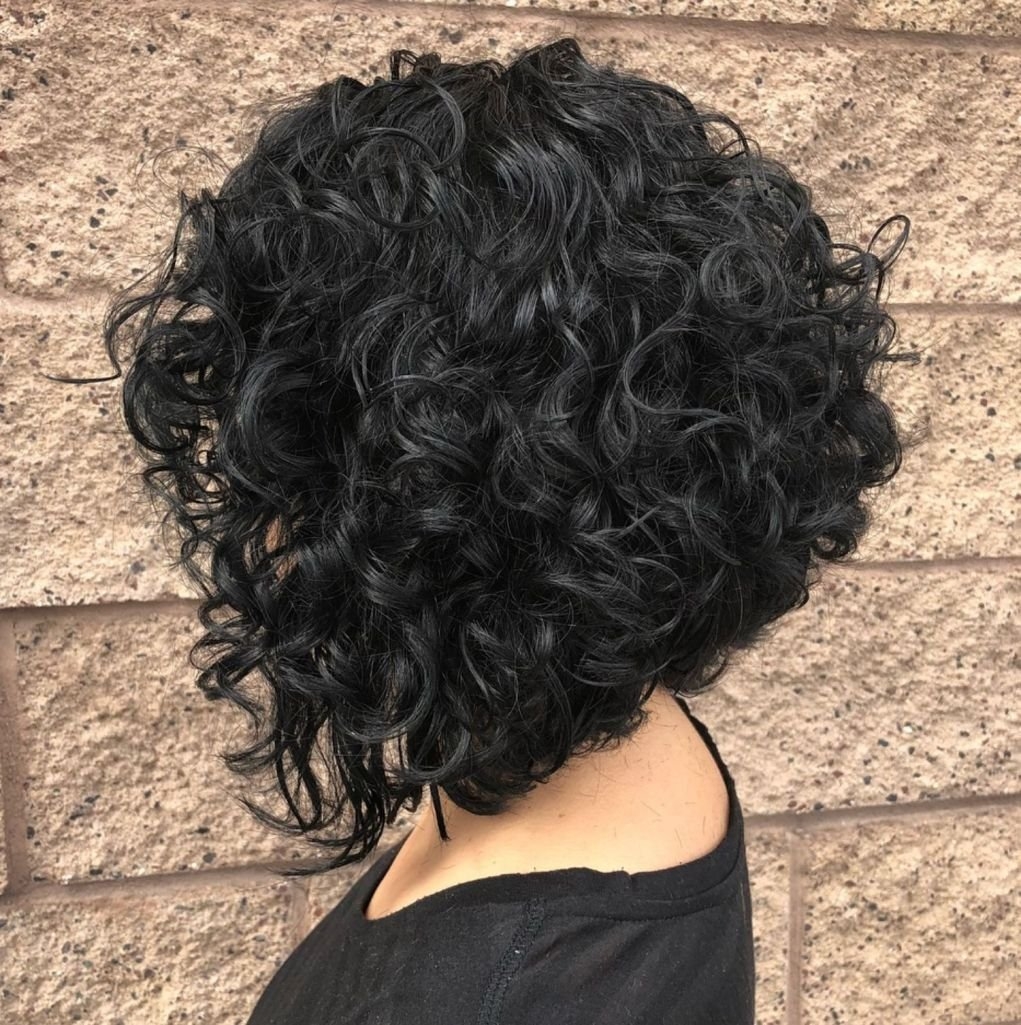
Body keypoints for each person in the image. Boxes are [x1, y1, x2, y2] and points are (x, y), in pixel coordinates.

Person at [53, 34, 924, 1024]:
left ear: (414, 500)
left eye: (279, 461)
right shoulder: (623, 739)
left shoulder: (485, 989)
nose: (261, 526)